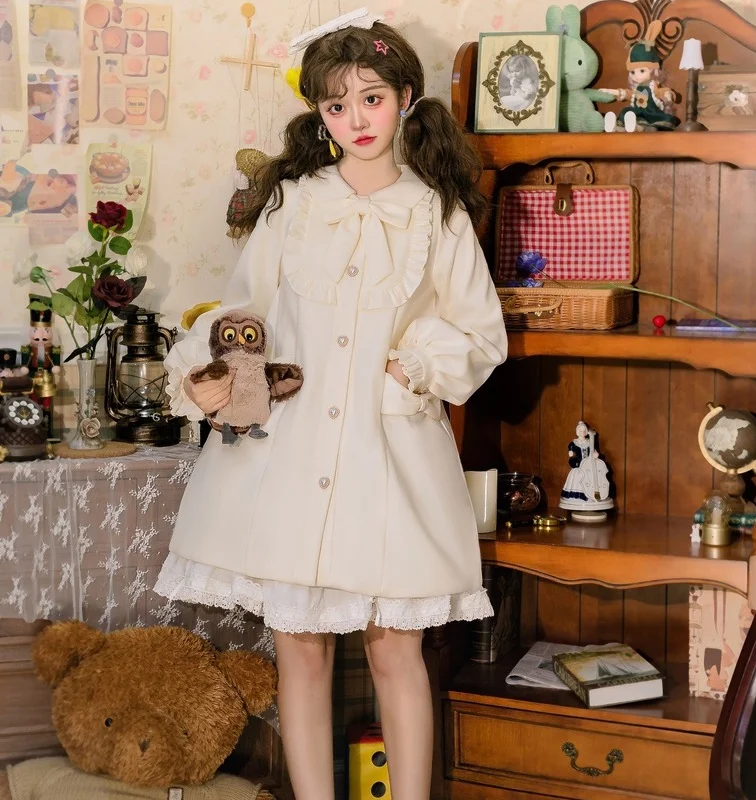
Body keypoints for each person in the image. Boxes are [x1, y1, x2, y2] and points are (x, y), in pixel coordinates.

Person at [154, 9, 507, 800]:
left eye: (371, 99)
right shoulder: (292, 203)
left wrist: (416, 365)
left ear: (405, 98)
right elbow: (246, 309)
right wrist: (215, 369)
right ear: (319, 113)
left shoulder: (439, 212)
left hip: (392, 464)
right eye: (337, 105)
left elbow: (480, 332)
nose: (357, 119)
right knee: (300, 650)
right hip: (290, 454)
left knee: (395, 651)